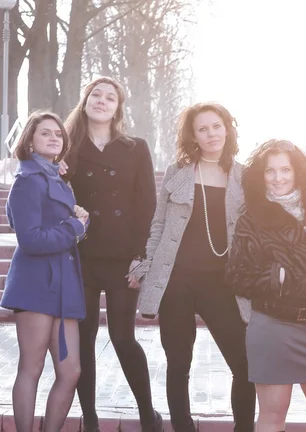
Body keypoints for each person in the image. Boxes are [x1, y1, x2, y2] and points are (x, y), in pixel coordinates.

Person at [132, 102, 255, 432]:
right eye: (203, 129)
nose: (211, 133)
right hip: (177, 282)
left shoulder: (245, 176)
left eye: (216, 126)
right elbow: (159, 224)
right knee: (178, 363)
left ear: (227, 128)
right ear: (193, 136)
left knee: (244, 365)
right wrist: (145, 267)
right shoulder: (178, 172)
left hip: (223, 283)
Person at [61, 76, 161, 432]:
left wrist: (141, 255)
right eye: (96, 95)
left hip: (122, 258)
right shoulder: (66, 148)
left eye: (110, 98)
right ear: (85, 100)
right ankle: (89, 419)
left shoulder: (136, 148)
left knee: (122, 337)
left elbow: (146, 204)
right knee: (84, 340)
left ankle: (149, 414)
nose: (102, 101)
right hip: (82, 256)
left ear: (118, 108)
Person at [225, 139, 306, 432]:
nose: (278, 178)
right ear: (260, 175)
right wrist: (273, 277)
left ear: (297, 171)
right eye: (270, 171)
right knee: (272, 416)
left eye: (285, 169)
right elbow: (236, 275)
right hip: (272, 327)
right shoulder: (251, 218)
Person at [0, 112, 88, 432]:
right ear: (30, 142)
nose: (54, 137)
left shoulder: (56, 179)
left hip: (64, 284)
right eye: (44, 133)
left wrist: (78, 224)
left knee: (71, 372)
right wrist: (75, 227)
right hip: (36, 281)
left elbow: (64, 225)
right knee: (32, 366)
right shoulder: (26, 181)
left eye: (58, 134)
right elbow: (31, 239)